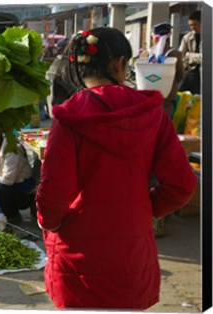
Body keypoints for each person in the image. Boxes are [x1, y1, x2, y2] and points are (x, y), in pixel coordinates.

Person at [35, 27, 197, 310]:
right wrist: (146, 207)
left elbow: (52, 198)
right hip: (132, 252)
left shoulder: (70, 116)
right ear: (121, 64)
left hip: (79, 258)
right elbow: (182, 184)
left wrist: (51, 224)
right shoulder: (151, 113)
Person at [0, 133, 37, 224]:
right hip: (10, 189)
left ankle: (13, 218)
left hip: (23, 194)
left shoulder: (12, 150)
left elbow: (8, 180)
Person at [147, 22, 184, 118]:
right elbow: (180, 75)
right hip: (168, 96)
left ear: (154, 38)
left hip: (148, 95)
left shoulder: (147, 54)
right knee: (164, 124)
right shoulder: (176, 54)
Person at [45, 37, 80, 118]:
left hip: (55, 111)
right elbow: (77, 91)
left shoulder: (55, 64)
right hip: (64, 113)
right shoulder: (65, 67)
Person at [179, 10, 201, 95]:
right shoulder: (187, 37)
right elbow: (181, 55)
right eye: (190, 25)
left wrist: (189, 55)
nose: (192, 27)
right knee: (178, 96)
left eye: (195, 24)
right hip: (190, 73)